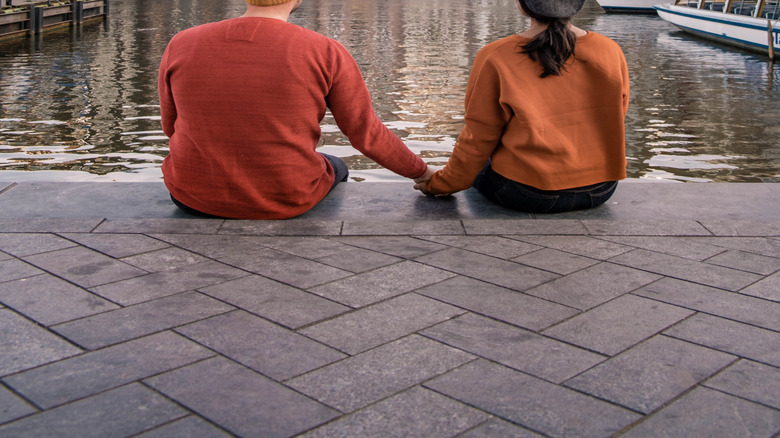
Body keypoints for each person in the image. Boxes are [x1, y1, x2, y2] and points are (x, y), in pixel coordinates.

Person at [158, 0, 434, 219]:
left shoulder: (181, 43)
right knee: (336, 165)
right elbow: (365, 133)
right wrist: (421, 172)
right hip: (285, 198)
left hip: (191, 196)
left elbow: (170, 127)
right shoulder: (325, 50)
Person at [414, 0, 630, 214]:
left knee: (481, 165)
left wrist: (440, 183)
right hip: (602, 188)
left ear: (523, 5)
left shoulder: (495, 55)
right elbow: (616, 115)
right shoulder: (610, 50)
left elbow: (478, 137)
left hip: (530, 193)